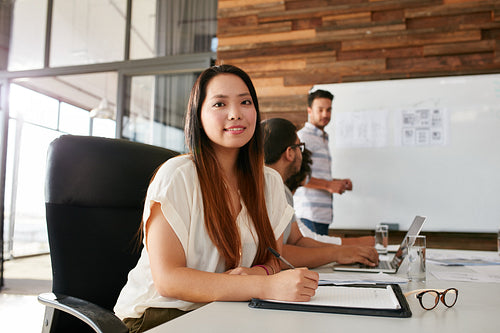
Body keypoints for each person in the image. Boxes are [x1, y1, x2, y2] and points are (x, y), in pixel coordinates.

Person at [114, 65, 319, 333]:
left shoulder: (269, 182)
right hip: (160, 316)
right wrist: (265, 285)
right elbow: (168, 280)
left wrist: (260, 274)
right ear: (198, 116)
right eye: (220, 103)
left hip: (226, 310)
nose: (235, 114)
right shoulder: (177, 176)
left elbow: (274, 257)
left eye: (245, 102)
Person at [262, 118, 378, 269]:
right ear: (290, 153)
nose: (301, 154)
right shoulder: (267, 190)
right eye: (300, 147)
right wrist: (336, 254)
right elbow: (276, 255)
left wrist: (344, 251)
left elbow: (297, 241)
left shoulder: (282, 191)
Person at [293, 89, 354, 236]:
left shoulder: (324, 137)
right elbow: (297, 176)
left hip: (322, 215)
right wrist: (328, 185)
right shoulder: (303, 137)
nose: (325, 114)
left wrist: (336, 182)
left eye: (328, 110)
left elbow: (312, 174)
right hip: (309, 215)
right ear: (309, 110)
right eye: (320, 110)